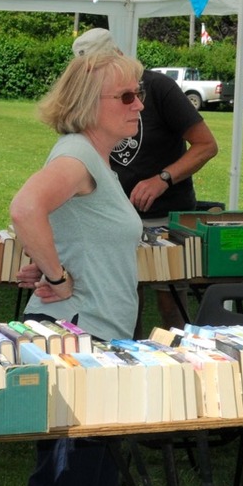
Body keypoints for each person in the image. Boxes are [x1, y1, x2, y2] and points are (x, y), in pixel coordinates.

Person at [10, 50, 146, 486]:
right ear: (91, 103)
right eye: (126, 95)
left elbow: (65, 226)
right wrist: (56, 276)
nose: (139, 104)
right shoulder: (78, 155)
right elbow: (26, 208)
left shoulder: (92, 159)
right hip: (77, 342)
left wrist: (52, 263)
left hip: (92, 339)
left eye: (139, 93)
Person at [71, 27, 219, 328]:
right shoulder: (90, 95)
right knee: (120, 304)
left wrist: (162, 178)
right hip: (112, 217)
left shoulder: (158, 87)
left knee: (170, 305)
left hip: (163, 217)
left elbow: (206, 145)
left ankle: (181, 363)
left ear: (118, 57)